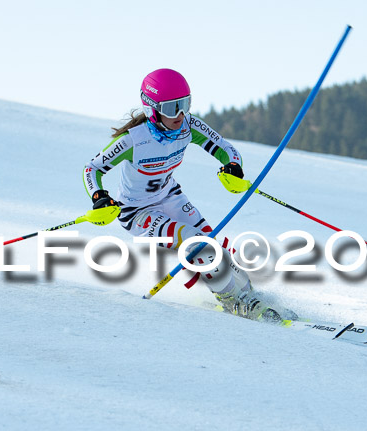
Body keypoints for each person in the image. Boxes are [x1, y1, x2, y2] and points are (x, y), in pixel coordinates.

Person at [82, 68, 285, 322]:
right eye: (171, 108)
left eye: (184, 105)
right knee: (196, 243)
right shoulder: (133, 140)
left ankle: (249, 295)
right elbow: (93, 168)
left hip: (170, 197)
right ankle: (232, 301)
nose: (179, 115)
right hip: (137, 212)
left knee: (213, 244)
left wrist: (232, 166)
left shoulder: (188, 126)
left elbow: (224, 147)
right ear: (152, 109)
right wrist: (99, 196)